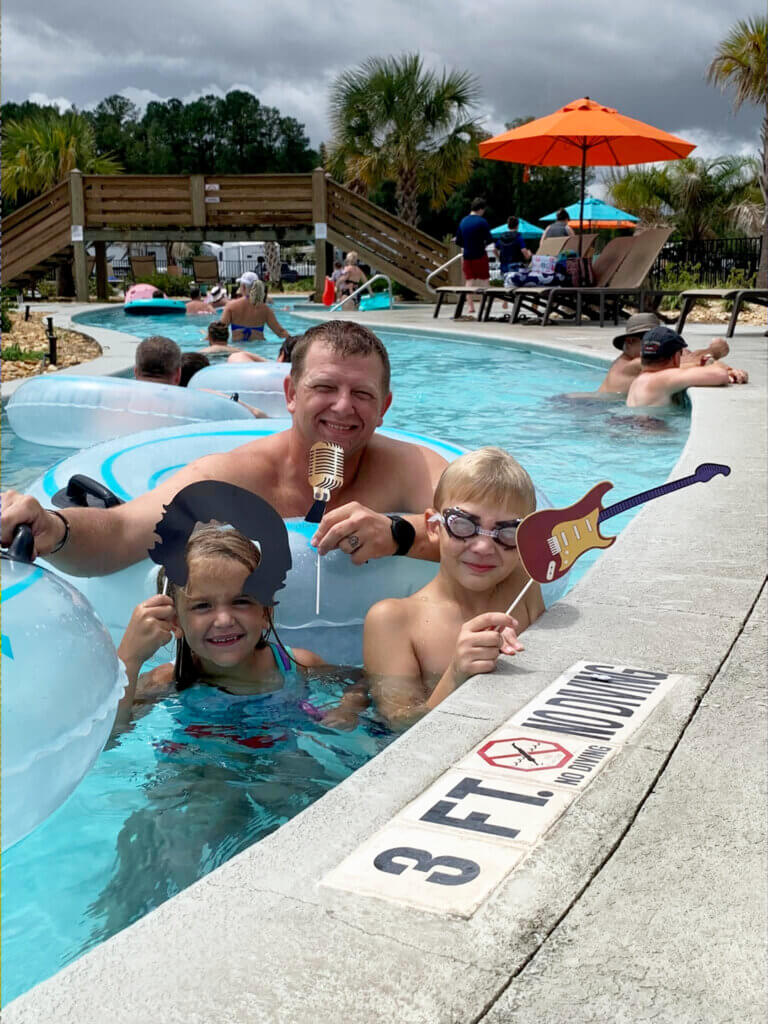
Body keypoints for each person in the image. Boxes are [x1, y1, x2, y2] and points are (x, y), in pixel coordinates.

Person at [1, 321, 448, 575]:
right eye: (325, 387)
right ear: (291, 393)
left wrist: (398, 533)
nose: (343, 406)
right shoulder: (232, 477)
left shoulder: (408, 468)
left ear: (385, 405)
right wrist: (53, 526)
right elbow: (122, 531)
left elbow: (497, 530)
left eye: (363, 394)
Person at [323, 448, 541, 731]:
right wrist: (455, 674)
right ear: (433, 526)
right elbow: (398, 727)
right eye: (464, 525)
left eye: (508, 532)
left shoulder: (523, 583)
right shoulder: (394, 620)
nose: (484, 547)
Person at [114, 521, 325, 726]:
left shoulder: (297, 665)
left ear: (265, 612)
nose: (224, 621)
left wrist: (346, 709)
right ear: (176, 621)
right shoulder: (166, 680)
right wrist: (130, 659)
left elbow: (355, 689)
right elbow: (112, 732)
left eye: (241, 602)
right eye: (203, 606)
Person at [601, 314, 747, 396]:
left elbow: (683, 359)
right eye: (649, 339)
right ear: (630, 341)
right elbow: (686, 363)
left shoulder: (638, 359)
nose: (655, 341)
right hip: (595, 408)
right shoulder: (630, 365)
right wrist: (714, 351)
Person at [626, 327, 738, 408]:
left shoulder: (638, 380)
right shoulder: (662, 379)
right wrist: (714, 363)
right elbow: (720, 374)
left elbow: (684, 369)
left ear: (641, 356)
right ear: (676, 357)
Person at [219, 273, 291, 344]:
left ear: (243, 287)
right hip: (259, 349)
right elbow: (281, 332)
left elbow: (219, 331)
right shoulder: (265, 309)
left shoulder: (231, 306)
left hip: (239, 348)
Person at [455, 198, 493, 316]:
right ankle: (483, 304)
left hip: (467, 255)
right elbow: (489, 239)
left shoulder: (463, 221)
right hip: (480, 254)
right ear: (481, 209)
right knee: (484, 280)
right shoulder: (482, 222)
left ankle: (470, 306)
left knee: (469, 281)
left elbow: (459, 241)